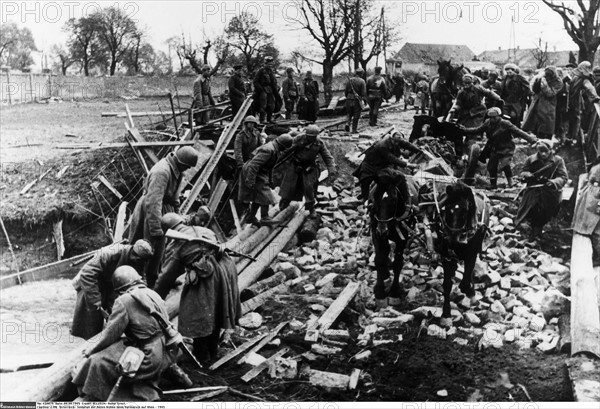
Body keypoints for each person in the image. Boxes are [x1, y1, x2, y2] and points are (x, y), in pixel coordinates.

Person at [72, 266, 179, 401]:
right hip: (164, 353)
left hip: (147, 358)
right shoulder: (152, 293)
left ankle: (94, 395)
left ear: (119, 287)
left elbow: (109, 335)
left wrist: (89, 351)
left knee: (97, 361)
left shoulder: (124, 300)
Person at [157, 219, 241, 363]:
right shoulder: (204, 230)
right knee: (215, 310)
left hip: (208, 273)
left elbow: (166, 276)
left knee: (197, 312)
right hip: (226, 267)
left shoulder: (176, 243)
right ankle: (212, 351)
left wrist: (155, 297)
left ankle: (202, 356)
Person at [128, 147, 199, 288]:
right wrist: (155, 229)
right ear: (181, 162)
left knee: (163, 249)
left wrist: (177, 218)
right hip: (151, 211)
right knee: (150, 249)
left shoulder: (177, 170)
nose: (186, 169)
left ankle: (162, 278)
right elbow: (153, 202)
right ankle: (148, 283)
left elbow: (175, 199)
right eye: (186, 166)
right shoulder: (162, 171)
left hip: (164, 208)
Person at [71, 240, 154, 340]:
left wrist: (145, 294)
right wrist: (95, 299)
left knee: (115, 314)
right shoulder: (110, 253)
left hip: (111, 286)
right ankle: (88, 347)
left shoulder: (138, 260)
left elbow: (140, 278)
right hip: (91, 283)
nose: (141, 263)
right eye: (140, 260)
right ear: (134, 254)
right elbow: (87, 274)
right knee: (91, 322)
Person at [461, 107, 538, 189]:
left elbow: (518, 132)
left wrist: (532, 140)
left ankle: (510, 182)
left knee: (505, 164)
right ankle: (493, 185)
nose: (492, 119)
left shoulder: (505, 123)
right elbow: (478, 130)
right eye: (491, 117)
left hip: (506, 147)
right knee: (491, 166)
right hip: (494, 147)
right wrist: (465, 130)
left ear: (499, 116)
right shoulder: (488, 123)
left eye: (494, 117)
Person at [515, 140, 568, 242]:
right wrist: (527, 174)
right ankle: (529, 231)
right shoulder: (531, 159)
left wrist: (554, 182)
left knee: (545, 212)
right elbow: (522, 171)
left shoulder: (558, 161)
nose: (543, 154)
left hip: (549, 191)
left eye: (546, 151)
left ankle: (539, 231)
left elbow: (563, 177)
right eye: (541, 151)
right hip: (533, 189)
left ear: (550, 150)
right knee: (530, 208)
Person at [279, 125, 335, 217]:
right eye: (310, 136)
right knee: (289, 185)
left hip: (310, 167)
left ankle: (310, 207)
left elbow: (327, 156)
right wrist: (278, 159)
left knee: (309, 187)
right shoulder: (298, 139)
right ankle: (284, 204)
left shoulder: (319, 143)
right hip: (295, 165)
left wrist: (331, 168)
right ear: (306, 134)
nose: (312, 138)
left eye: (314, 137)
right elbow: (287, 151)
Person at [238, 134, 294, 225]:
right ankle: (264, 217)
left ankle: (251, 216)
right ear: (282, 145)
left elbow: (270, 167)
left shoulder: (274, 149)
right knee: (266, 195)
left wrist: (271, 180)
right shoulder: (268, 150)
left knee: (258, 196)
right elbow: (254, 165)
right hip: (252, 171)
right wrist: (250, 180)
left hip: (260, 171)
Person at [352, 132, 421, 201]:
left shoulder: (397, 140)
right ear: (391, 139)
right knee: (365, 181)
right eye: (395, 142)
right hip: (370, 164)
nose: (397, 144)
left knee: (389, 178)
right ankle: (365, 199)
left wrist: (418, 150)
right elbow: (392, 158)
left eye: (398, 142)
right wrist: (407, 164)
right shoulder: (383, 145)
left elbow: (407, 144)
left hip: (383, 164)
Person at [522, 66, 564, 140]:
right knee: (534, 120)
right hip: (537, 102)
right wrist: (537, 81)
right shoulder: (541, 78)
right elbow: (535, 90)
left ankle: (546, 138)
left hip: (548, 104)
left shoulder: (558, 82)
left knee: (546, 122)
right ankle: (535, 137)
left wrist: (544, 85)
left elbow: (550, 93)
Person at [572, 159, 600, 265]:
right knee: (594, 230)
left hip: (595, 196)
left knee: (596, 231)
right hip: (594, 197)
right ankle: (597, 256)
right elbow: (592, 180)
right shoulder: (597, 168)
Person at [566, 61, 600, 145]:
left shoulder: (575, 76)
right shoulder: (583, 79)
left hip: (570, 101)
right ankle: (574, 139)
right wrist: (595, 97)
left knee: (571, 120)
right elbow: (590, 88)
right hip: (576, 102)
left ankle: (569, 137)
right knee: (577, 119)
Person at [253, 56, 280, 124]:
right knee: (263, 105)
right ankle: (262, 120)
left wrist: (276, 88)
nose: (270, 65)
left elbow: (273, 81)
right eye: (268, 64)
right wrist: (261, 90)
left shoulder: (271, 71)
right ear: (265, 63)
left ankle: (269, 119)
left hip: (270, 90)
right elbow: (255, 81)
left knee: (271, 105)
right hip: (263, 90)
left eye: (271, 64)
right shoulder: (261, 71)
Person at [344, 68, 367, 133]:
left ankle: (347, 124)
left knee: (349, 113)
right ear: (361, 74)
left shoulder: (350, 80)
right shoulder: (362, 81)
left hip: (348, 99)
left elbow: (345, 91)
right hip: (356, 100)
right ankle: (354, 129)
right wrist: (364, 100)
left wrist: (348, 97)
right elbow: (363, 93)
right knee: (356, 114)